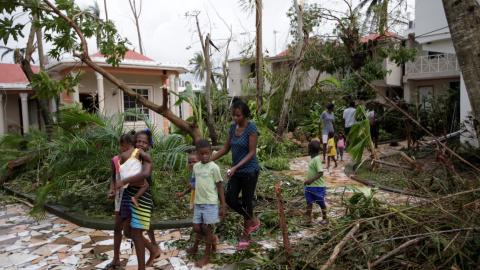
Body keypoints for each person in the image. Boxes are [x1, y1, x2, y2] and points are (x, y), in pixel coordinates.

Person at [211, 97, 261, 251]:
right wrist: (207, 160)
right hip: (236, 171)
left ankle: (245, 235)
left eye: (238, 115)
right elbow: (226, 148)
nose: (235, 118)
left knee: (247, 202)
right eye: (233, 115)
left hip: (249, 171)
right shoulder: (233, 128)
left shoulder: (252, 129)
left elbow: (252, 153)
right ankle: (252, 220)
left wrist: (235, 167)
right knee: (230, 199)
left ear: (244, 115)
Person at [114, 131, 162, 269]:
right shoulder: (129, 157)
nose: (140, 144)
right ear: (133, 143)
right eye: (138, 141)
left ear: (148, 145)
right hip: (128, 196)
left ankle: (142, 267)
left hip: (142, 197)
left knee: (136, 232)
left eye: (144, 142)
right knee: (128, 232)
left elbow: (145, 174)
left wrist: (124, 181)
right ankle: (153, 250)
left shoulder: (146, 158)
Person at [188, 139, 226, 267]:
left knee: (206, 228)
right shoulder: (196, 167)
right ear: (197, 153)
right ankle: (212, 239)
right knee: (196, 228)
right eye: (201, 154)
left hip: (211, 203)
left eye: (206, 153)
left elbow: (220, 186)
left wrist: (223, 206)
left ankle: (207, 256)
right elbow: (195, 184)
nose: (204, 156)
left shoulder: (214, 167)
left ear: (210, 152)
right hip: (199, 203)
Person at [175, 152, 202, 255]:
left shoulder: (201, 173)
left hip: (203, 201)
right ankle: (210, 240)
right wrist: (183, 193)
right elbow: (193, 186)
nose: (191, 164)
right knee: (198, 226)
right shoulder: (193, 173)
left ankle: (197, 246)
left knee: (199, 226)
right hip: (196, 200)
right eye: (189, 162)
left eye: (194, 162)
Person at [116, 134, 149, 208]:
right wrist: (149, 160)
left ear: (124, 145)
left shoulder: (123, 155)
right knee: (146, 185)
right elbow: (145, 156)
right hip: (136, 176)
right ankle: (135, 197)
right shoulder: (138, 151)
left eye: (120, 147)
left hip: (126, 178)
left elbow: (122, 166)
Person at [303, 141, 327, 226]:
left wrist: (311, 180)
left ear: (310, 150)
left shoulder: (317, 159)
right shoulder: (312, 160)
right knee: (309, 203)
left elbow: (321, 172)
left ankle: (325, 218)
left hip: (317, 187)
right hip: (310, 187)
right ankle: (308, 220)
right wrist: (307, 181)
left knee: (321, 203)